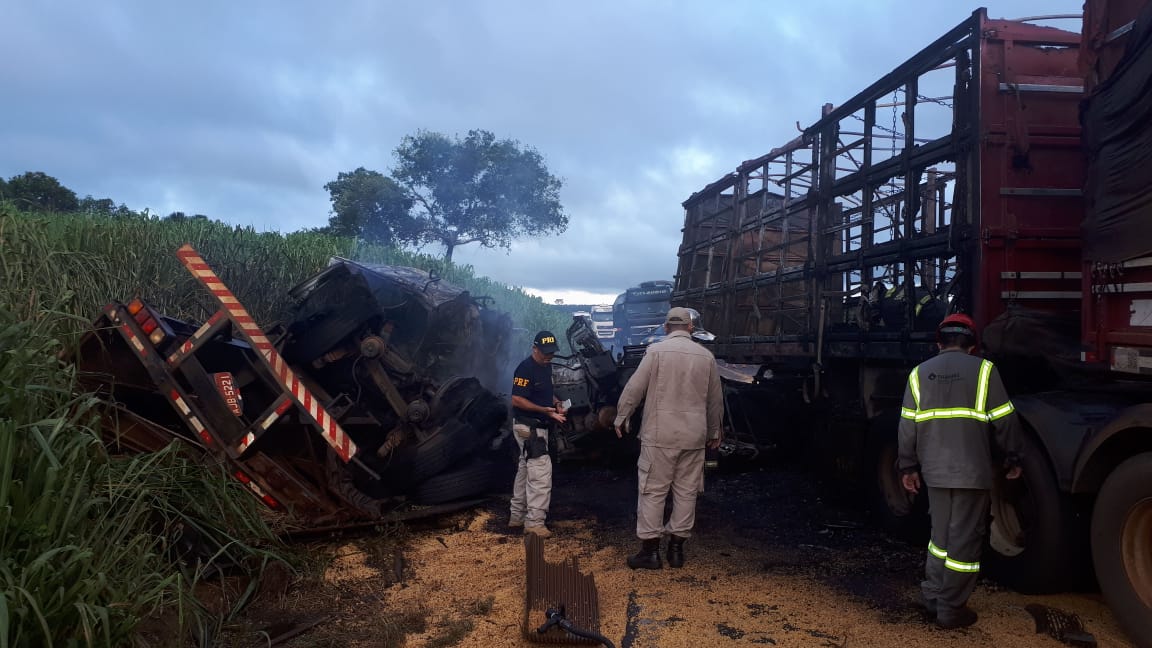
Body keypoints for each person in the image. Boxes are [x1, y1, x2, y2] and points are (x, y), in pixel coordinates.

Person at [897, 313, 1024, 629]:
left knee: (939, 538)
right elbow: (1005, 421)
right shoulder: (985, 371)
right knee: (963, 542)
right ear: (972, 345)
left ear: (939, 342)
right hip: (972, 471)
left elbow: (906, 427)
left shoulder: (918, 374)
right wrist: (1013, 457)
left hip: (935, 472)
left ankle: (932, 596)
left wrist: (908, 466)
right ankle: (951, 609)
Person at [614, 307, 723, 570]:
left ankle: (650, 553)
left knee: (653, 492)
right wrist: (714, 433)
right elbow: (715, 401)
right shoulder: (706, 357)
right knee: (686, 492)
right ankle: (676, 551)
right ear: (690, 328)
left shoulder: (655, 352)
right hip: (693, 437)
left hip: (660, 435)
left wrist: (622, 416)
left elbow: (634, 387)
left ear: (666, 328)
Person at [508, 330, 566, 538]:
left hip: (537, 425)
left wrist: (556, 403)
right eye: (544, 353)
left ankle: (517, 516)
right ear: (534, 349)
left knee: (525, 470)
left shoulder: (545, 366)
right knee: (541, 473)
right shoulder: (525, 369)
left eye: (551, 352)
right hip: (529, 427)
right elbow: (517, 399)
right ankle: (534, 522)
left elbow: (545, 393)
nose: (548, 356)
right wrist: (544, 411)